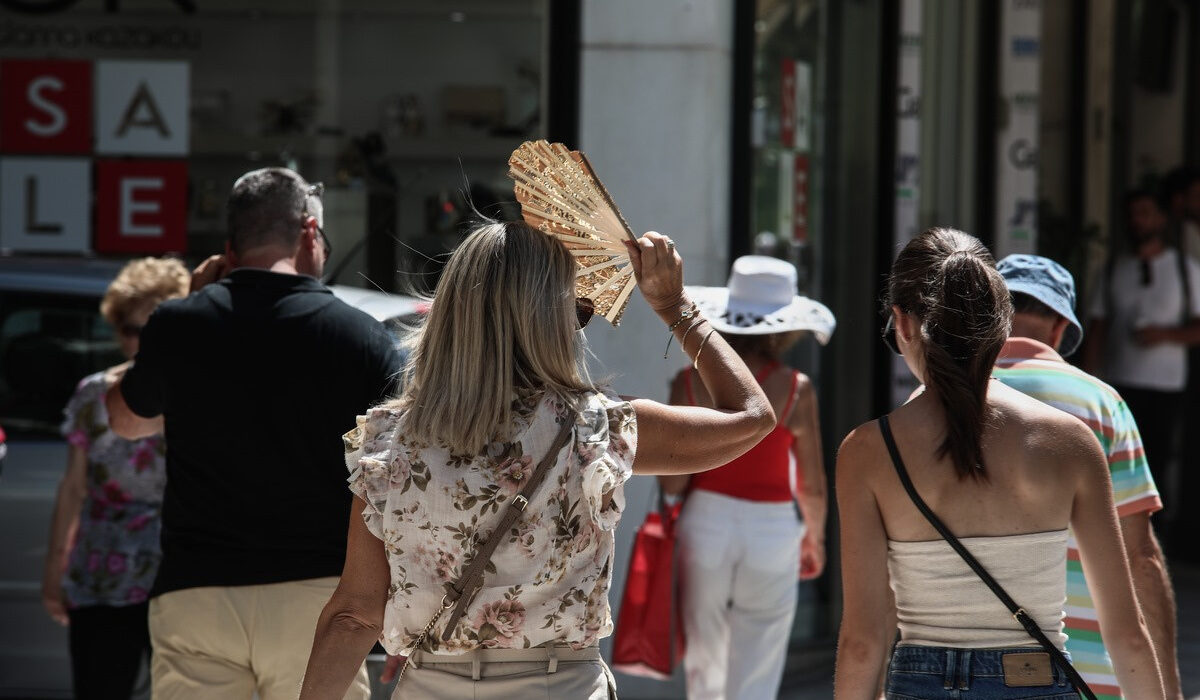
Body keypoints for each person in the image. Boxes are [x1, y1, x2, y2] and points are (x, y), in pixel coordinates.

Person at [298, 220, 776, 699]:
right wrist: (675, 308)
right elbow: (752, 417)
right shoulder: (597, 430)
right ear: (548, 320)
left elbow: (354, 615)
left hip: (431, 682)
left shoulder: (391, 443)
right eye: (578, 310)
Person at [105, 168, 403, 700]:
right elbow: (398, 474)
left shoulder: (180, 324)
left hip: (197, 592)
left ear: (229, 248)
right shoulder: (359, 337)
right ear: (310, 233)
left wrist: (191, 307)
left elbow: (127, 419)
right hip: (315, 599)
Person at [835, 228, 1163, 699]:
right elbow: (1127, 635)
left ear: (902, 324)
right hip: (1036, 679)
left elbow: (863, 644)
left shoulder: (867, 451)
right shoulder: (1071, 442)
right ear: (1002, 324)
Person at [993, 253, 1182, 699]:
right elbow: (1140, 555)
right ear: (1060, 328)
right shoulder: (1101, 404)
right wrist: (1167, 686)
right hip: (1086, 672)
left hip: (960, 673)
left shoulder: (939, 401)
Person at [658, 254, 833, 700]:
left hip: (706, 523)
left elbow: (672, 483)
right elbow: (811, 482)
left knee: (704, 652)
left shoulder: (688, 381)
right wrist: (815, 538)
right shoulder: (796, 387)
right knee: (761, 655)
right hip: (774, 528)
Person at [41, 257, 189, 699]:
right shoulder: (93, 393)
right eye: (130, 329)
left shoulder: (197, 394)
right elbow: (72, 487)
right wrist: (54, 572)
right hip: (100, 572)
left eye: (154, 328)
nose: (141, 341)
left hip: (175, 577)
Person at [1081, 190, 1200, 521]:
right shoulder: (1113, 270)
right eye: (1133, 214)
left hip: (1166, 384)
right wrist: (1089, 380)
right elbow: (1098, 327)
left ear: (1161, 219)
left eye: (1146, 213)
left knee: (1159, 458)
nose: (1138, 221)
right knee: (1120, 461)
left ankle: (1157, 529)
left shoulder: (1185, 270)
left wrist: (1164, 335)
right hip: (1119, 382)